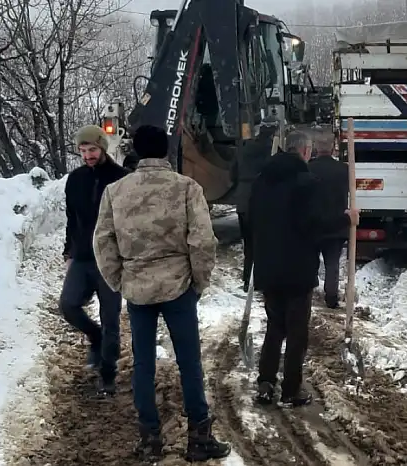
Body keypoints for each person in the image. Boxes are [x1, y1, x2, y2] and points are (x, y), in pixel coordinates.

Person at [92, 125, 230, 462]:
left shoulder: (115, 191)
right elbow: (202, 241)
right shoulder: (187, 188)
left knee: (143, 364)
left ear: (136, 152)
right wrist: (198, 282)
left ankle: (150, 439)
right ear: (167, 151)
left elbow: (103, 241)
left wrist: (119, 281)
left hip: (137, 289)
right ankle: (199, 437)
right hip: (179, 286)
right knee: (189, 363)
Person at [247, 131, 359, 407]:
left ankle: (265, 382)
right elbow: (314, 224)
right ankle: (291, 389)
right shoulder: (304, 182)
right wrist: (346, 219)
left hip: (268, 266)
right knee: (297, 331)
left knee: (275, 326)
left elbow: (251, 221)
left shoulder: (262, 181)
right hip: (296, 268)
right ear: (306, 152)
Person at [60, 125, 127, 395]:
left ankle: (108, 374)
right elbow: (71, 219)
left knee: (110, 317)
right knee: (68, 305)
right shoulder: (75, 179)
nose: (87, 155)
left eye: (92, 149)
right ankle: (94, 336)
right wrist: (69, 250)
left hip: (110, 259)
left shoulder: (121, 178)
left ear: (103, 147)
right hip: (83, 257)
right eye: (83, 151)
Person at [229, 125, 275, 291]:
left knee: (248, 244)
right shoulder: (270, 151)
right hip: (261, 201)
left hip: (242, 199)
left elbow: (232, 174)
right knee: (264, 242)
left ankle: (247, 280)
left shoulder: (243, 149)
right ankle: (261, 279)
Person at [308, 147, 349, 308]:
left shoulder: (309, 168)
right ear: (332, 149)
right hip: (337, 223)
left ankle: (308, 292)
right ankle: (331, 297)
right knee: (332, 264)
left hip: (314, 223)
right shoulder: (343, 169)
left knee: (311, 261)